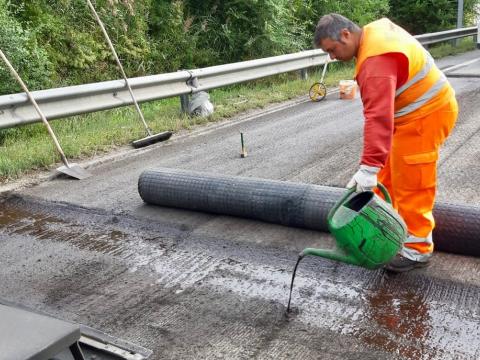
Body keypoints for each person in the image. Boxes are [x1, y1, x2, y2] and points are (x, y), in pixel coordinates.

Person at [314, 14, 458, 272]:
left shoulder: (375, 60)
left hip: (426, 115)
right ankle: (385, 233)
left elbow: (378, 117)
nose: (333, 57)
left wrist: (368, 166)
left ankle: (417, 249)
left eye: (332, 50)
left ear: (346, 34)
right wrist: (373, 168)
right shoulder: (372, 35)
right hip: (411, 114)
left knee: (412, 183)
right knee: (386, 180)